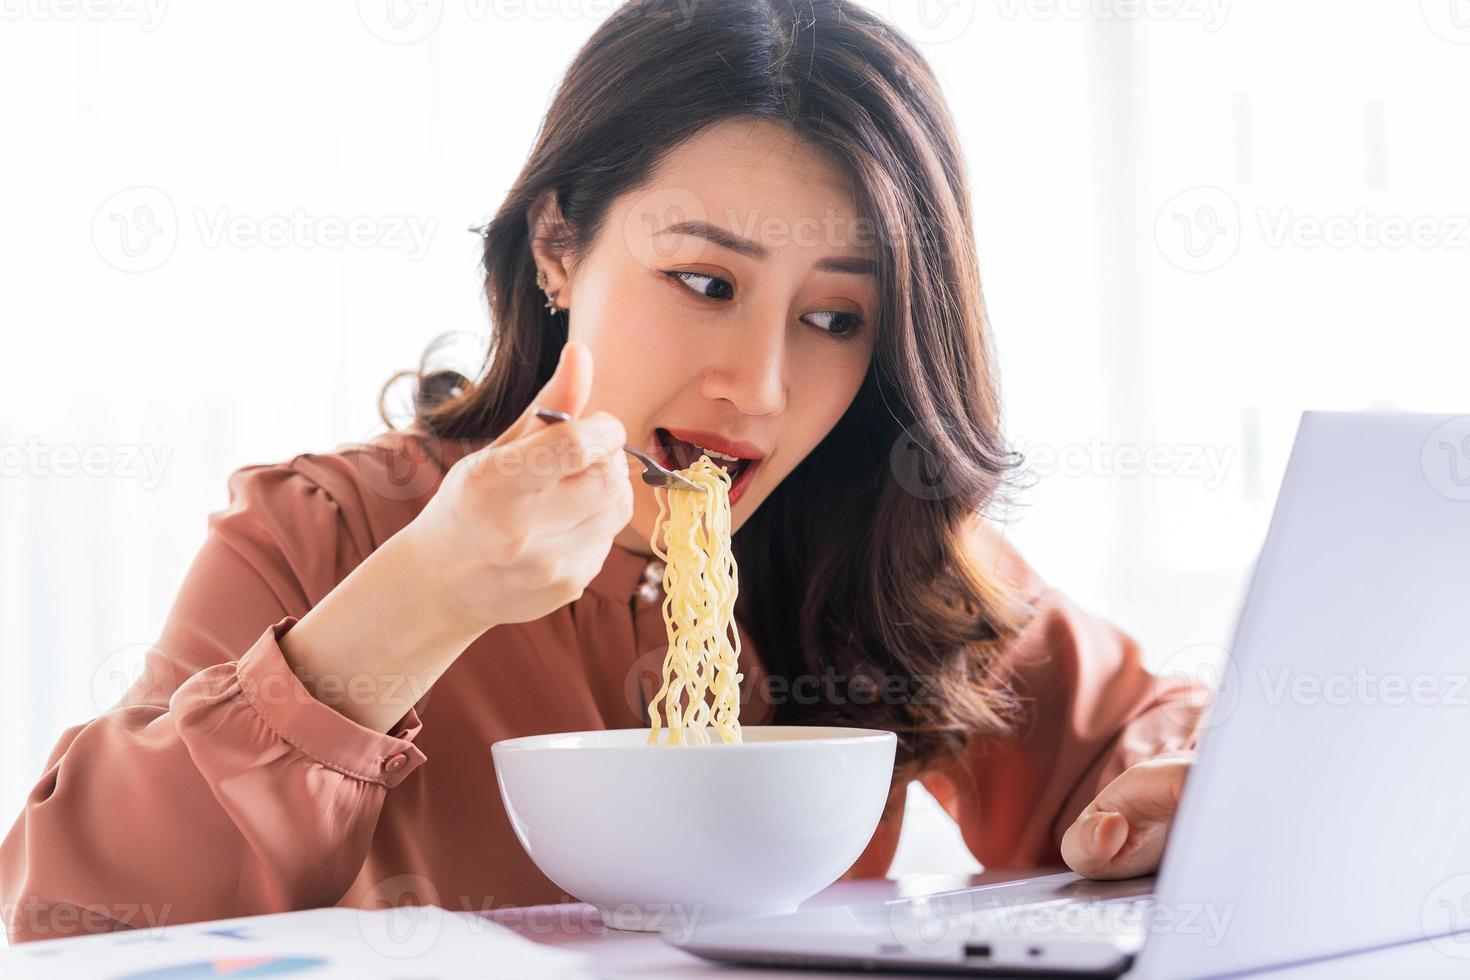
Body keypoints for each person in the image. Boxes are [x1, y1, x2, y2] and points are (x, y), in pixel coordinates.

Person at [0, 0, 1207, 943]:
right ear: (559, 245)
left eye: (835, 319)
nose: (761, 389)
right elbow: (64, 914)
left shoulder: (882, 549)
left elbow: (1154, 743)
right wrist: (423, 597)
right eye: (705, 282)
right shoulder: (328, 530)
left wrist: (1173, 787)